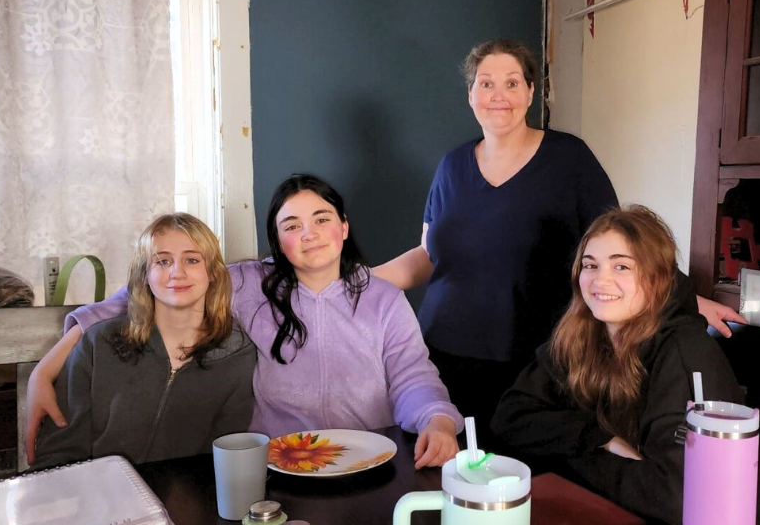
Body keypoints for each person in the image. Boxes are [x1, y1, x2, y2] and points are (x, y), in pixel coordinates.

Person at [373, 38, 745, 426]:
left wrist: (689, 300)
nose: (499, 95)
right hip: (442, 355)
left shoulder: (570, 159)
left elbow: (621, 247)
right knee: (445, 472)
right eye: (486, 83)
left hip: (536, 360)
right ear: (471, 95)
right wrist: (354, 282)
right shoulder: (451, 166)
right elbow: (429, 255)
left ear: (531, 92)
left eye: (512, 83)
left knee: (521, 477)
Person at [27, 175, 462, 470]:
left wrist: (436, 418)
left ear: (344, 228)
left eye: (321, 219)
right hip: (274, 467)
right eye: (292, 225)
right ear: (278, 242)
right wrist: (46, 368)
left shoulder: (383, 300)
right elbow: (146, 292)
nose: (308, 233)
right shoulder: (247, 283)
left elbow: (411, 375)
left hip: (368, 459)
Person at [490, 206, 743, 525]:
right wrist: (598, 437)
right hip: (606, 514)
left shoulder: (683, 351)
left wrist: (568, 450)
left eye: (621, 266)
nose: (600, 280)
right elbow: (510, 417)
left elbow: (678, 497)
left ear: (657, 278)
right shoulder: (580, 334)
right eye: (590, 265)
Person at [32, 213, 256, 469]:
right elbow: (58, 452)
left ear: (214, 272)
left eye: (192, 260)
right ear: (144, 274)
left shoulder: (237, 355)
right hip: (97, 497)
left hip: (185, 499)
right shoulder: (98, 344)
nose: (177, 272)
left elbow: (223, 461)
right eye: (162, 261)